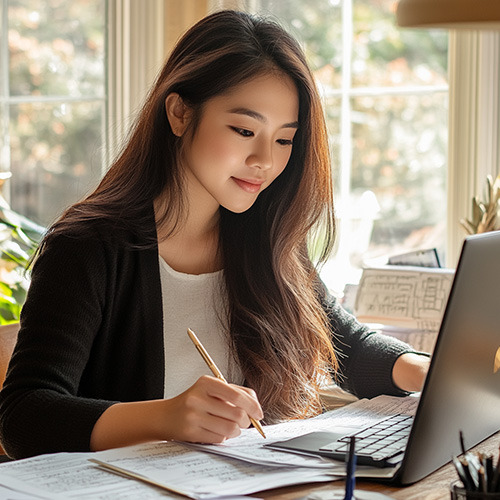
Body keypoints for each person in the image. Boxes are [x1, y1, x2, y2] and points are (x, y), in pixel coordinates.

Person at [0, 9, 429, 460]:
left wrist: (424, 371)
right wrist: (166, 416)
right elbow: (24, 417)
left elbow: (347, 344)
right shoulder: (87, 248)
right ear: (180, 113)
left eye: (284, 140)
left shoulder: (266, 237)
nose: (265, 159)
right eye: (244, 130)